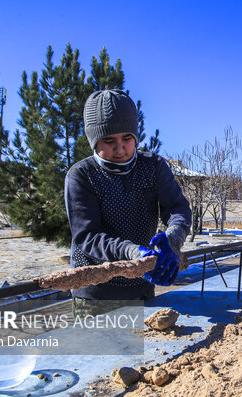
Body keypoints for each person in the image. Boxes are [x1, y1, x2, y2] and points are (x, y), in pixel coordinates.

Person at [64, 89, 191, 316]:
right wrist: (133, 252)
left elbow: (177, 208)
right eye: (109, 140)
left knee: (143, 347)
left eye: (127, 138)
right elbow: (88, 236)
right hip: (95, 293)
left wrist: (173, 239)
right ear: (94, 141)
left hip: (141, 285)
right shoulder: (82, 175)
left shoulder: (152, 166)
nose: (120, 149)